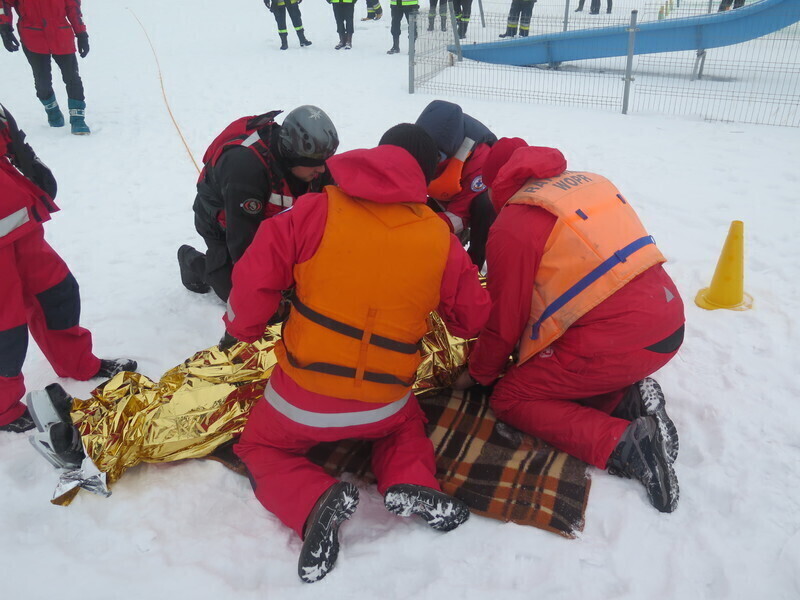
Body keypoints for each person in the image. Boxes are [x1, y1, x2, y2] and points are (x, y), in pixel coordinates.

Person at [223, 123, 491, 583]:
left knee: (258, 445)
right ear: (424, 178)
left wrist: (242, 330)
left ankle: (313, 500)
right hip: (383, 403)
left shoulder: (312, 211)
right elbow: (471, 319)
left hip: (301, 400)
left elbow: (253, 278)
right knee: (405, 424)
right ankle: (412, 481)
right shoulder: (439, 237)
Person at [456, 138, 684, 513]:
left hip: (619, 343)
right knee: (564, 364)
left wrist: (479, 374)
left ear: (498, 183)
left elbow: (503, 322)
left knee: (513, 396)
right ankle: (624, 399)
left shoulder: (515, 225)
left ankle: (625, 443)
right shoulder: (587, 184)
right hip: (668, 324)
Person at [0, 103, 136, 434]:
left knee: (58, 292)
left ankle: (78, 364)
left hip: (15, 217)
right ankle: (3, 409)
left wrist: (21, 152)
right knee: (6, 328)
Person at [177, 106, 338, 302]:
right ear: (291, 155)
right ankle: (192, 262)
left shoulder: (312, 161)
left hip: (273, 217)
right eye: (315, 164)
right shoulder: (245, 170)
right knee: (238, 293)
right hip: (224, 223)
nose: (322, 169)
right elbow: (243, 246)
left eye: (325, 161)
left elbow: (335, 207)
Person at [414, 100, 497, 270]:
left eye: (436, 157)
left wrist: (424, 229)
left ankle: (474, 266)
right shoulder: (415, 145)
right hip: (440, 195)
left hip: (469, 203)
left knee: (484, 206)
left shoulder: (481, 161)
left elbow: (460, 213)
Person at [0, 0, 91, 135]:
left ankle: (78, 119)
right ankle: (52, 111)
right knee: (43, 82)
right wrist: (5, 26)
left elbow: (73, 8)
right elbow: (4, 3)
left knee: (72, 77)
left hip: (61, 35)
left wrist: (81, 33)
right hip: (32, 36)